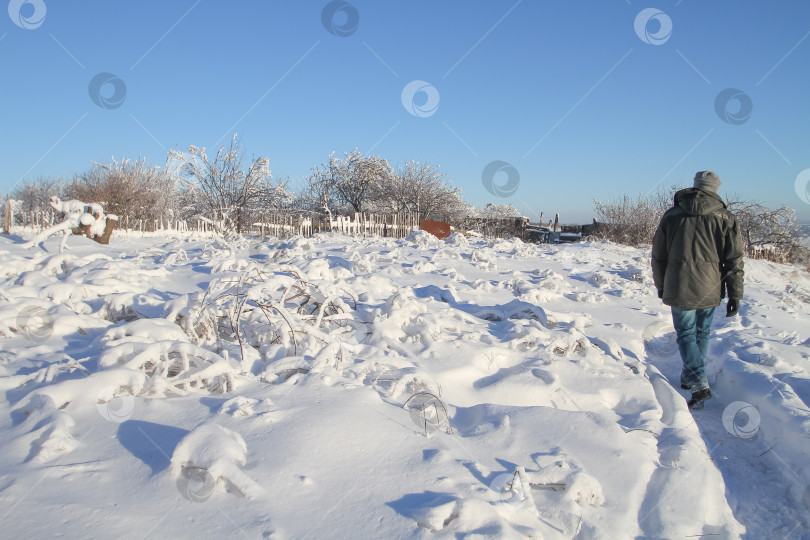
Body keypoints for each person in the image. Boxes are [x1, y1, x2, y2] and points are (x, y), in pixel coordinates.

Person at [651, 171, 745, 409]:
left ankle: (694, 380)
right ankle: (694, 379)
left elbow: (658, 256)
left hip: (678, 283)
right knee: (701, 332)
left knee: (685, 333)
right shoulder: (726, 218)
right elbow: (734, 260)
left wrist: (662, 285)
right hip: (710, 286)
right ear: (715, 189)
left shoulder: (672, 216)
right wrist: (735, 293)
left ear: (695, 187)